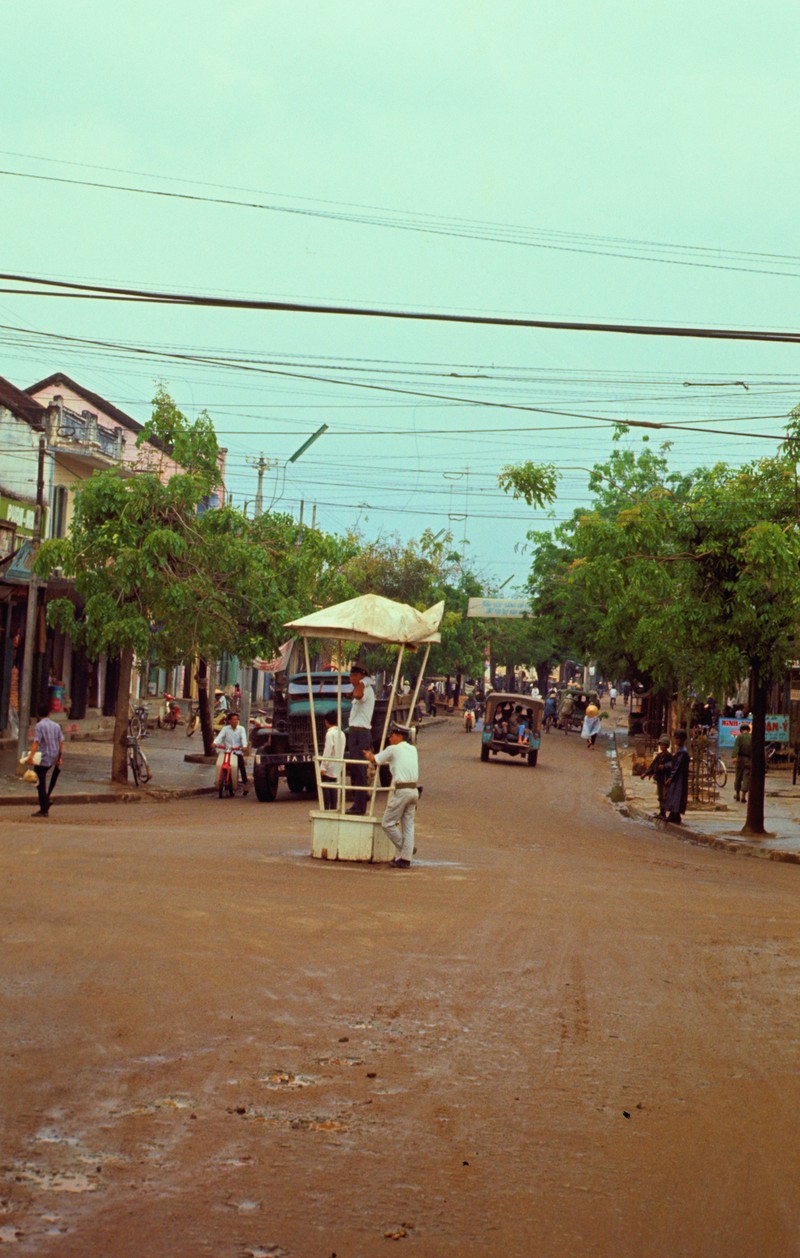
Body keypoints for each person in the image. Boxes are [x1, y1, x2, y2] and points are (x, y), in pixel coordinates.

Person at [365, 724, 419, 868]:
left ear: (400, 737)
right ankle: (405, 859)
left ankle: (407, 849)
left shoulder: (392, 749)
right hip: (414, 791)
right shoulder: (413, 749)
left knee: (387, 823)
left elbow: (375, 759)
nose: (390, 738)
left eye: (392, 735)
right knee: (408, 825)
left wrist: (368, 755)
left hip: (402, 791)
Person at [345, 661, 375, 814]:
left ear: (362, 676)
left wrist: (363, 682)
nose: (351, 678)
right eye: (351, 675)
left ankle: (360, 806)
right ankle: (357, 804)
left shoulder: (366, 688)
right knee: (356, 770)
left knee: (360, 769)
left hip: (361, 732)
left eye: (355, 675)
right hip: (355, 731)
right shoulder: (361, 687)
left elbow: (357, 694)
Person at [27, 702, 64, 817]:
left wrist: (30, 756)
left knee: (39, 783)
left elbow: (36, 742)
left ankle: (44, 807)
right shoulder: (56, 725)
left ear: (38, 714)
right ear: (49, 713)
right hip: (53, 756)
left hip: (44, 757)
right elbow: (61, 742)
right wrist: (59, 757)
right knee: (41, 780)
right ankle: (45, 802)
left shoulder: (39, 726)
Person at [213, 709, 249, 795]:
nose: (235, 721)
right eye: (233, 719)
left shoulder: (241, 729)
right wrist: (215, 743)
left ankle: (245, 784)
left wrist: (244, 746)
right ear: (229, 721)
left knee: (241, 767)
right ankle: (220, 780)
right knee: (221, 763)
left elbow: (244, 738)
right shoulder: (225, 729)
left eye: (237, 719)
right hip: (227, 751)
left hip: (237, 752)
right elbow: (219, 737)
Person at [320, 710, 346, 810]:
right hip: (338, 763)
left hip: (329, 764)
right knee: (334, 786)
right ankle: (334, 808)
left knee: (326, 786)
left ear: (326, 722)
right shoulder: (342, 734)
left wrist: (323, 766)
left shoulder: (330, 734)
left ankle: (326, 808)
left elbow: (327, 751)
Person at [664, 730, 690, 823]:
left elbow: (677, 766)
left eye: (676, 738)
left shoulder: (682, 752)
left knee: (676, 796)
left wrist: (671, 777)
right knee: (675, 796)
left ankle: (674, 815)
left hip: (679, 779)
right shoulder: (681, 751)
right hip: (679, 778)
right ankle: (674, 815)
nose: (675, 740)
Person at [645, 734, 673, 819]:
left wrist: (665, 766)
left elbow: (672, 764)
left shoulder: (669, 756)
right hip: (660, 778)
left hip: (665, 778)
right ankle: (662, 812)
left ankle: (665, 812)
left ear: (667, 746)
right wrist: (646, 773)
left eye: (663, 745)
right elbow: (653, 765)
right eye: (661, 744)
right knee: (660, 796)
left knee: (665, 796)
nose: (662, 746)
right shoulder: (659, 756)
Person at [733, 722, 752, 803]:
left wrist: (734, 757)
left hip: (740, 759)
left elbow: (736, 747)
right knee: (746, 777)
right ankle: (743, 795)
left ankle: (737, 794)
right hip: (748, 759)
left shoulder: (739, 737)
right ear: (748, 730)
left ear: (741, 730)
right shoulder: (752, 737)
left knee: (738, 776)